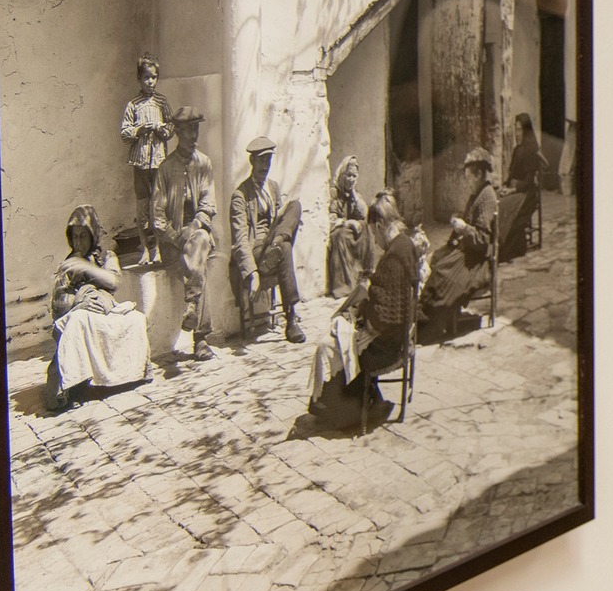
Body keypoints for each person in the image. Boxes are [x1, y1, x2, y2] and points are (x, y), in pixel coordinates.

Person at [309, 195, 426, 430]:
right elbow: (391, 295)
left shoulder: (394, 256)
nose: (376, 242)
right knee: (341, 336)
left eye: (373, 234)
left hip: (387, 347)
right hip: (400, 336)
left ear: (380, 225)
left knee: (332, 344)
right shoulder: (405, 245)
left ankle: (342, 409)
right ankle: (367, 401)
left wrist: (361, 312)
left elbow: (382, 317)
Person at [42, 205, 152, 413]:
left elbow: (113, 281)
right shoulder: (69, 264)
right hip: (83, 312)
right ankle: (75, 385)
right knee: (78, 321)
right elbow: (58, 305)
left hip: (106, 312)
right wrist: (79, 302)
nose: (78, 242)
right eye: (74, 237)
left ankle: (129, 376)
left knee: (136, 319)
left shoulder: (107, 257)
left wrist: (86, 267)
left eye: (83, 236)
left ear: (93, 235)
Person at [153, 104, 217, 361]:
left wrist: (192, 227)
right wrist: (173, 235)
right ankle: (201, 339)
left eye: (196, 129)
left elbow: (208, 205)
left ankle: (192, 305)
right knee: (198, 262)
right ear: (178, 132)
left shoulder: (204, 164)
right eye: (189, 130)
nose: (194, 135)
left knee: (199, 242)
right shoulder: (165, 169)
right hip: (172, 244)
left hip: (196, 234)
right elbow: (157, 215)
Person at [230, 135, 306, 343]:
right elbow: (240, 239)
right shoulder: (240, 195)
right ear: (252, 161)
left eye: (268, 160)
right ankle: (291, 320)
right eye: (261, 160)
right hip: (256, 251)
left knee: (295, 206)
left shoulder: (273, 187)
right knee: (285, 247)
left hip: (273, 243)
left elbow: (281, 218)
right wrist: (252, 273)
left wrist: (281, 230)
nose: (265, 166)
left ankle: (278, 244)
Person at [421, 146, 499, 338]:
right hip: (469, 252)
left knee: (442, 273)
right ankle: (434, 316)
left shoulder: (487, 197)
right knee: (436, 258)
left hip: (479, 262)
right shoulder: (476, 194)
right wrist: (459, 227)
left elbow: (483, 240)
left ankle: (435, 321)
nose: (466, 182)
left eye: (469, 177)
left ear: (479, 174)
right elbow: (469, 224)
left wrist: (464, 228)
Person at [119, 56, 171, 266]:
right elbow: (124, 133)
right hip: (140, 163)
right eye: (146, 78)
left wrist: (161, 130)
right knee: (142, 206)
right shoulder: (133, 105)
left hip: (158, 161)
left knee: (157, 205)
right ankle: (144, 248)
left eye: (154, 77)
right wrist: (139, 130)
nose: (150, 82)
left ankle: (157, 248)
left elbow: (171, 127)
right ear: (139, 79)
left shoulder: (162, 102)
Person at [500, 113, 544, 262]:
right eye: (515, 129)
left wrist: (512, 190)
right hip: (515, 191)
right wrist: (505, 185)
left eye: (519, 130)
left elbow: (529, 182)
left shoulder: (532, 151)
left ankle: (506, 249)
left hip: (528, 194)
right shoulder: (517, 149)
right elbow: (512, 174)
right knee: (498, 201)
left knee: (505, 207)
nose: (517, 133)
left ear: (526, 131)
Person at [325, 155, 370, 297]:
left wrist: (354, 195)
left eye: (354, 176)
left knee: (367, 229)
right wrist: (346, 222)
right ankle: (343, 286)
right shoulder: (335, 193)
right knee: (340, 236)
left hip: (352, 232)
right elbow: (331, 218)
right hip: (339, 231)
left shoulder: (354, 194)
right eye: (348, 175)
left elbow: (364, 213)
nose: (351, 179)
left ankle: (364, 277)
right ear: (342, 175)